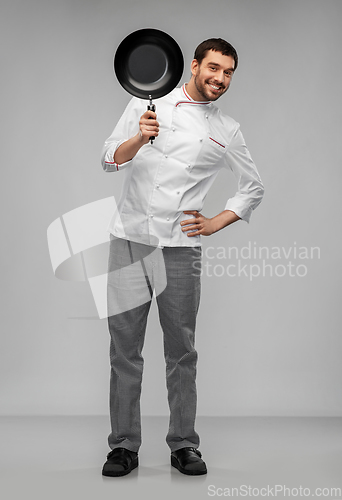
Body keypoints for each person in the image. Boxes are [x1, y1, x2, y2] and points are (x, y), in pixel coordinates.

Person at [100, 38, 264, 477]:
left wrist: (215, 222)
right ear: (193, 66)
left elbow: (253, 187)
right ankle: (123, 447)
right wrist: (140, 137)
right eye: (213, 68)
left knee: (182, 353)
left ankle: (184, 445)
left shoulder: (226, 128)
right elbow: (109, 160)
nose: (220, 79)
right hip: (129, 240)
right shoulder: (146, 99)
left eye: (228, 72)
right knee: (124, 352)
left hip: (180, 248)